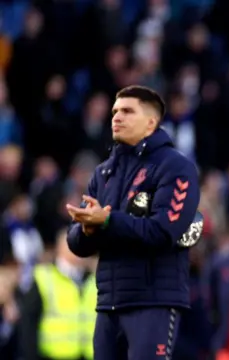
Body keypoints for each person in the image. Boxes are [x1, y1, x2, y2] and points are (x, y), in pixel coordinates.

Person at [65, 85, 201, 360]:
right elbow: (76, 242)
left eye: (127, 111)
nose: (116, 117)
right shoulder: (104, 172)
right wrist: (87, 229)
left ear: (151, 122)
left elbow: (163, 231)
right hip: (108, 304)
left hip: (153, 303)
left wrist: (107, 221)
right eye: (115, 111)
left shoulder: (175, 167)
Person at [16, 228, 97, 360]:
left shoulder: (94, 279)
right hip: (52, 355)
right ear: (60, 247)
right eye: (75, 242)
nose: (80, 248)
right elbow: (28, 325)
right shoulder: (43, 277)